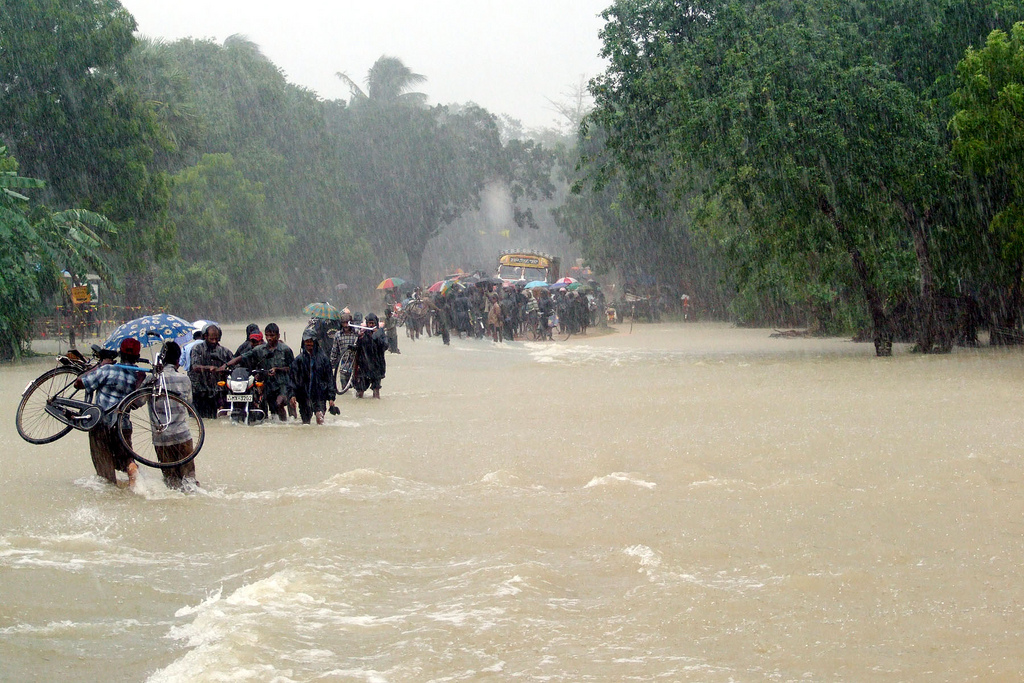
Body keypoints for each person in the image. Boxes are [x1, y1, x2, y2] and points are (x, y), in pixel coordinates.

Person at [74, 338, 144, 487]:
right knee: (126, 460)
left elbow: (79, 383)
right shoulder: (138, 376)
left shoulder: (107, 370)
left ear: (119, 353)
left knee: (105, 476)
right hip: (122, 426)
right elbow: (136, 404)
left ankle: (110, 493)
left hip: (101, 425)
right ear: (137, 357)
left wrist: (99, 366)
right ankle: (132, 469)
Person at [143, 341, 199, 489]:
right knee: (189, 481)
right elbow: (189, 403)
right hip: (182, 435)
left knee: (171, 482)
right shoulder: (184, 379)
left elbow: (137, 402)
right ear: (178, 360)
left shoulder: (151, 380)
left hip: (161, 438)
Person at [222, 322, 294, 421]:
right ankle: (276, 426)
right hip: (267, 383)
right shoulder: (259, 349)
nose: (269, 338)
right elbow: (242, 357)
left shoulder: (285, 350)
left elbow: (292, 368)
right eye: (267, 335)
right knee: (271, 409)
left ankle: (285, 423)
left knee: (279, 403)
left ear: (278, 336)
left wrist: (277, 369)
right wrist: (226, 365)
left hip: (282, 384)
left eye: (272, 335)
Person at [288, 328, 337, 424]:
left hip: (320, 394)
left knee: (320, 418)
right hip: (303, 396)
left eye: (311, 341)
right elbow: (292, 379)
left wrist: (331, 397)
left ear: (315, 342)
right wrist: (292, 395)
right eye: (307, 341)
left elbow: (330, 379)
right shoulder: (298, 360)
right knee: (306, 423)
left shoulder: (323, 359)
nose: (309, 344)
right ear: (303, 342)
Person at [188, 324, 232, 419]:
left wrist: (225, 369)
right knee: (197, 419)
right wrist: (209, 368)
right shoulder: (197, 349)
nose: (214, 341)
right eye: (212, 339)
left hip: (215, 392)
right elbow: (195, 367)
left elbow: (234, 364)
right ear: (205, 336)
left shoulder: (224, 352)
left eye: (216, 339)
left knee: (212, 419)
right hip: (199, 391)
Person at [352, 312, 388, 398]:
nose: (371, 325)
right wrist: (359, 339)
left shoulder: (381, 334)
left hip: (377, 367)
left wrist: (377, 337)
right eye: (369, 323)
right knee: (360, 391)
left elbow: (385, 346)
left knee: (376, 392)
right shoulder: (363, 334)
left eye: (373, 323)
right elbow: (357, 349)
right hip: (364, 366)